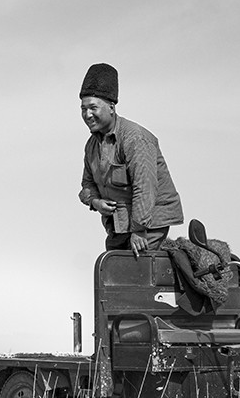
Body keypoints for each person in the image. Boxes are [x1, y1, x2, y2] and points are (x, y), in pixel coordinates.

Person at [78, 62, 183, 257]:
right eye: (83, 109)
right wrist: (95, 202)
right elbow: (87, 184)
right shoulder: (92, 145)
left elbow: (145, 187)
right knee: (111, 269)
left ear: (111, 107)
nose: (87, 114)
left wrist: (139, 230)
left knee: (133, 270)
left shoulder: (135, 138)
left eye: (93, 108)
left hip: (149, 224)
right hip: (118, 224)